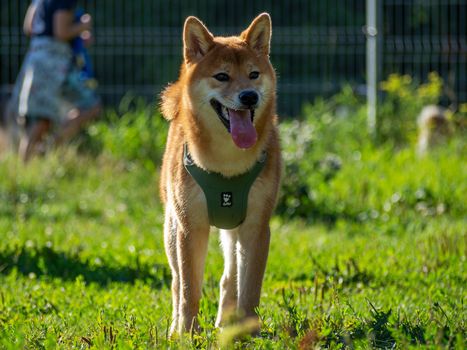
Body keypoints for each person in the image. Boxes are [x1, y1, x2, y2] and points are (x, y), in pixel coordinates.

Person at [7, 0, 101, 161]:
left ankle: (28, 166)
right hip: (55, 62)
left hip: (36, 58)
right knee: (91, 107)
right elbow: (61, 32)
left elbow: (29, 28)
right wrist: (83, 26)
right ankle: (49, 146)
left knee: (40, 119)